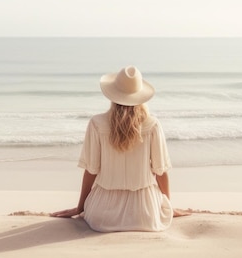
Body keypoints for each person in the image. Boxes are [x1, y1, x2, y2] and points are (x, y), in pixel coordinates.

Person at [51, 65, 187, 232]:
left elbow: (91, 171)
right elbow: (160, 171)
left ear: (113, 94)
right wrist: (168, 207)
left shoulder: (96, 123)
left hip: (102, 215)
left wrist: (80, 208)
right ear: (140, 96)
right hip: (146, 214)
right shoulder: (152, 125)